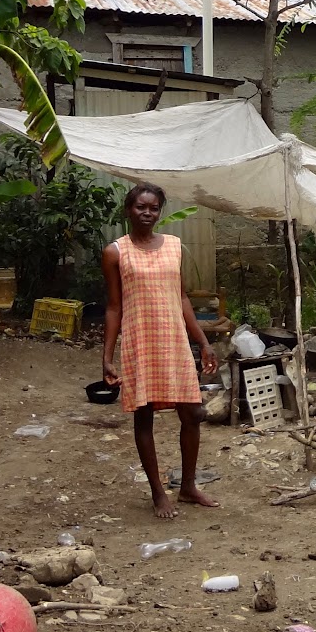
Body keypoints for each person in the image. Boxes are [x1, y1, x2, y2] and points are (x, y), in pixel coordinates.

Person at [102, 183, 220, 519]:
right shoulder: (116, 252)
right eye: (141, 207)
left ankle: (188, 486)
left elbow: (181, 297)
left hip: (174, 342)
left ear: (160, 211)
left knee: (193, 413)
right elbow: (113, 307)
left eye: (153, 208)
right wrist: (107, 356)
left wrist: (203, 342)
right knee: (145, 415)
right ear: (129, 209)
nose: (147, 213)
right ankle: (157, 491)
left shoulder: (174, 247)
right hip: (141, 342)